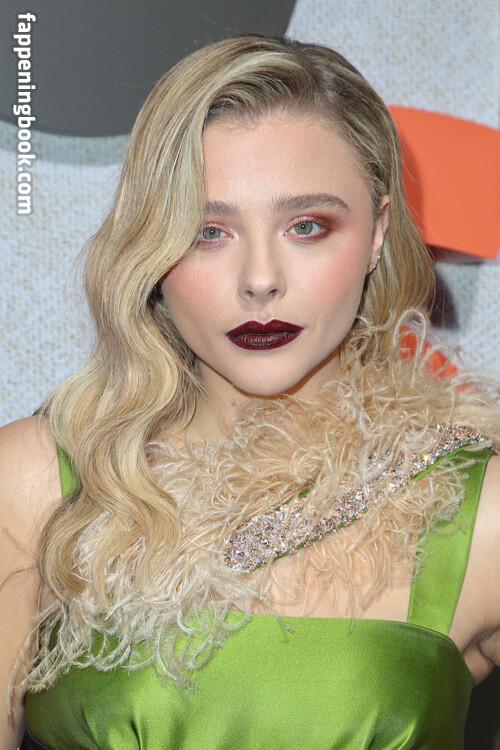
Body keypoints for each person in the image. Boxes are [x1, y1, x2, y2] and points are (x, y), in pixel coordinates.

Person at [1, 32, 499, 750]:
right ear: (151, 246)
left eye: (307, 226)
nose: (260, 279)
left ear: (378, 232)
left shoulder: (478, 513)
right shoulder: (40, 483)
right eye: (209, 231)